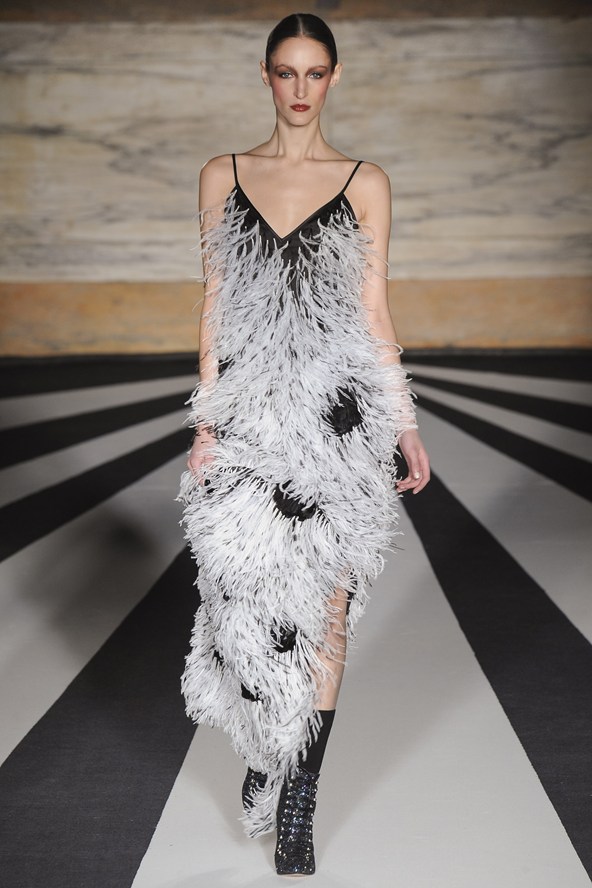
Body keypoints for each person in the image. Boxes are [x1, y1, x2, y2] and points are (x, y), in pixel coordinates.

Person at [178, 12, 430, 877]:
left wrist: (404, 421)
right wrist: (207, 423)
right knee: (245, 603)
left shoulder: (365, 182)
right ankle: (266, 742)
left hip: (337, 422)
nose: (299, 89)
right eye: (285, 72)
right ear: (265, 75)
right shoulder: (222, 175)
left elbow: (374, 310)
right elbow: (216, 302)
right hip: (250, 418)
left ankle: (298, 801)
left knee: (326, 610)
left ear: (333, 77)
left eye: (314, 73)